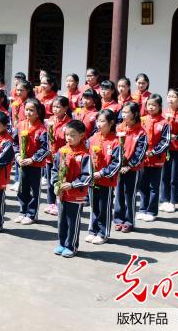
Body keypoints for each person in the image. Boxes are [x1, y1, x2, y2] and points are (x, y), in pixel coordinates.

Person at [51, 120, 92, 258]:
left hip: (76, 195)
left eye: (72, 135)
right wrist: (56, 182)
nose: (68, 138)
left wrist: (73, 184)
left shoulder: (85, 155)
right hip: (62, 194)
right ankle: (62, 243)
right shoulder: (61, 151)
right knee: (61, 220)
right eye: (67, 134)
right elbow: (54, 169)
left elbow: (87, 176)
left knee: (72, 221)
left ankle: (72, 246)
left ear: (81, 135)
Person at [85, 109, 121, 245]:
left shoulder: (115, 142)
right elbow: (86, 156)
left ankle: (103, 233)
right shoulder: (92, 139)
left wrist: (102, 173)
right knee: (94, 206)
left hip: (106, 180)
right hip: (92, 179)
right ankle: (92, 230)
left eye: (102, 121)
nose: (99, 124)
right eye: (98, 121)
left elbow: (116, 163)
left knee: (104, 207)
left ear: (111, 123)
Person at [113, 102, 148, 233]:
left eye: (127, 112)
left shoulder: (141, 132)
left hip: (133, 169)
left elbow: (140, 153)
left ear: (135, 114)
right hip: (119, 168)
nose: (124, 114)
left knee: (130, 195)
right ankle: (118, 219)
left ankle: (129, 221)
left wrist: (129, 165)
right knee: (119, 194)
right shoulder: (118, 128)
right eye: (123, 111)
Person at [15, 97, 49, 225]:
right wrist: (18, 156)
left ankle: (32, 214)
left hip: (35, 165)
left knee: (34, 190)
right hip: (22, 162)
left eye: (31, 110)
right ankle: (23, 211)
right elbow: (14, 143)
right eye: (26, 110)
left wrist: (32, 159)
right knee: (22, 188)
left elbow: (45, 149)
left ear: (38, 112)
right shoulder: (20, 125)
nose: (28, 112)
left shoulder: (42, 129)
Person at [137, 94, 170, 222]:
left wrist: (154, 152)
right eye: (149, 105)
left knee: (153, 186)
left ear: (159, 106)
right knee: (142, 185)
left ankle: (151, 211)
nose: (151, 107)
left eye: (154, 105)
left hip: (156, 159)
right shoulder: (142, 120)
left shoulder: (164, 123)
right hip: (143, 159)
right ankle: (142, 209)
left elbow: (166, 142)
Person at [44, 95, 72, 216]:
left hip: (62, 157)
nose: (55, 109)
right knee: (51, 181)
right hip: (50, 157)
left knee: (60, 180)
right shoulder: (50, 120)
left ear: (65, 108)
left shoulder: (69, 123)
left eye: (58, 107)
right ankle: (50, 203)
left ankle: (58, 202)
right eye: (54, 107)